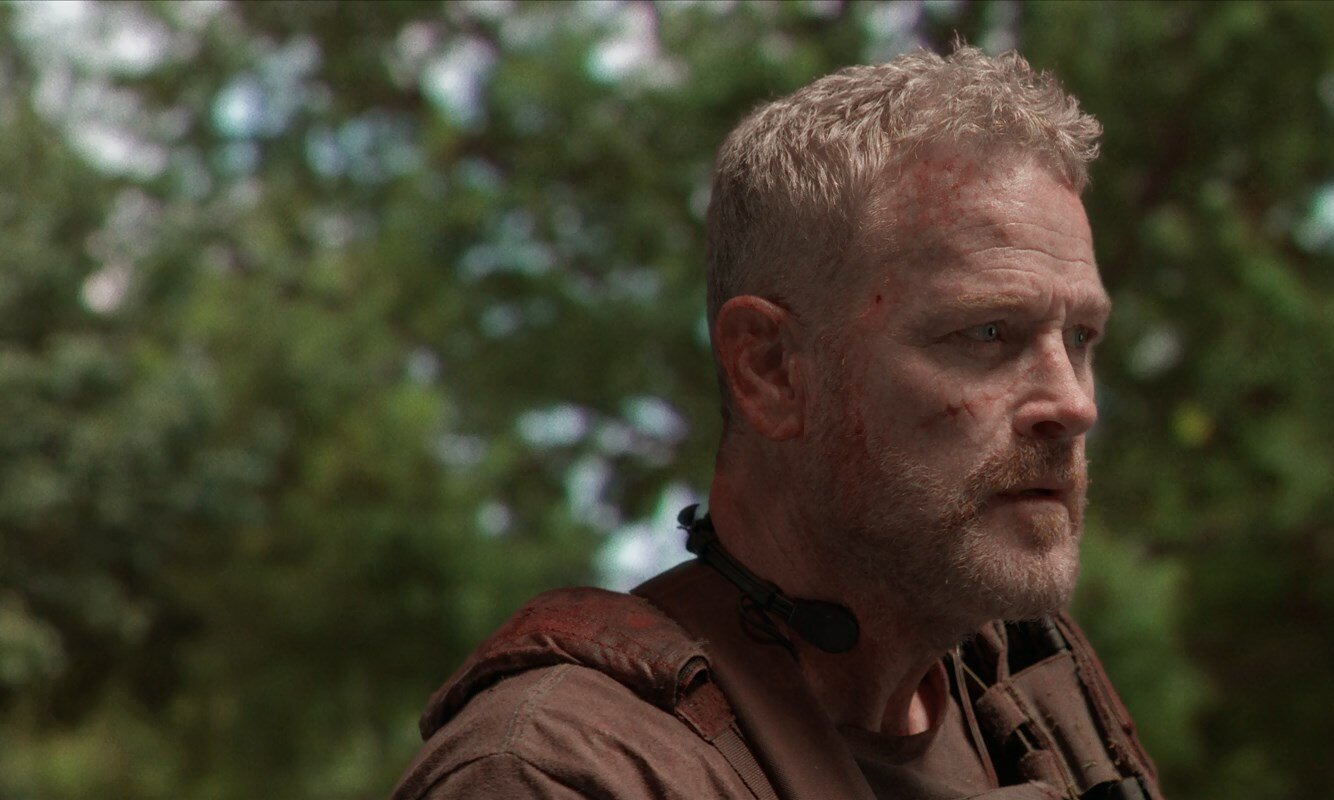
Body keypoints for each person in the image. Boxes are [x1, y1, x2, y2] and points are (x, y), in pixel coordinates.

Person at [392, 45, 1162, 800]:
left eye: (1080, 338)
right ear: (769, 369)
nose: (1074, 405)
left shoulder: (1035, 711)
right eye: (987, 333)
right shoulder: (554, 774)